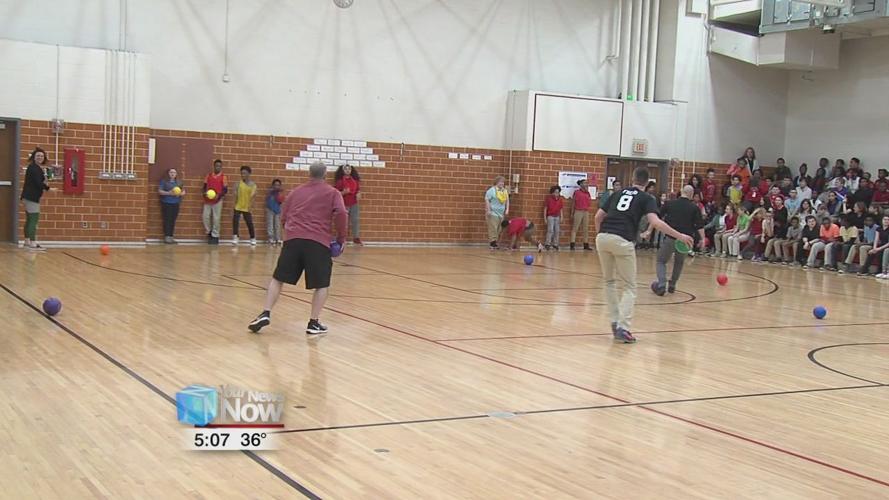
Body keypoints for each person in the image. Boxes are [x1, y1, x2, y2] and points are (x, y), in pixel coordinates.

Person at [594, 167, 693, 344]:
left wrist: (601, 238)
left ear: (632, 179)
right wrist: (680, 235)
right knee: (630, 287)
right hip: (623, 239)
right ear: (647, 183)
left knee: (609, 282)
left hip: (602, 237)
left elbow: (598, 217)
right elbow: (655, 222)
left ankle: (615, 321)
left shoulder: (616, 193)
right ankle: (623, 328)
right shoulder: (647, 197)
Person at [248, 161, 347, 335]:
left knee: (278, 278)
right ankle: (313, 322)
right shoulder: (333, 193)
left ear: (309, 174)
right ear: (325, 175)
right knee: (321, 284)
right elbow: (341, 213)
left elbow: (283, 215)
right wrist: (341, 238)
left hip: (293, 240)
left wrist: (291, 232)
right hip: (318, 242)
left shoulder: (295, 192)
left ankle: (265, 312)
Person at [651, 185, 704, 295]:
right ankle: (672, 285)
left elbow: (656, 218)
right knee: (679, 263)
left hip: (671, 237)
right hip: (685, 241)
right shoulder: (694, 208)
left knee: (661, 261)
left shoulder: (669, 203)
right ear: (692, 195)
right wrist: (703, 239)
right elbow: (699, 226)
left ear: (681, 191)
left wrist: (648, 230)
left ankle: (661, 284)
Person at [20, 147, 51, 251]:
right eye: (38, 155)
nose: (40, 157)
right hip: (31, 197)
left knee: (29, 220)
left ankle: (27, 241)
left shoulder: (35, 168)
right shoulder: (34, 168)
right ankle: (33, 243)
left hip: (28, 197)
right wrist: (48, 188)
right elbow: (38, 183)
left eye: (42, 156)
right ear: (33, 157)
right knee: (33, 219)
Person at [334, 164, 363, 245]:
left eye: (349, 169)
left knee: (355, 220)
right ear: (343, 171)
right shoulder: (339, 182)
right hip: (344, 203)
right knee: (344, 222)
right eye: (346, 169)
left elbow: (358, 190)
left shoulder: (355, 181)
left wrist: (359, 194)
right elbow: (336, 194)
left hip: (354, 203)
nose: (347, 170)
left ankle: (356, 238)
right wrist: (344, 192)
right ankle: (342, 239)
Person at [203, 159, 228, 244]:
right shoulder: (208, 176)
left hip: (218, 200)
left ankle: (215, 236)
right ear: (214, 166)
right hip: (208, 200)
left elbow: (225, 190)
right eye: (216, 166)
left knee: (216, 219)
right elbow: (204, 187)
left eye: (219, 166)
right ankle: (209, 232)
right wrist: (205, 193)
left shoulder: (223, 177)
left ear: (221, 167)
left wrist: (218, 196)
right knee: (205, 217)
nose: (218, 167)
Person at [157, 168, 185, 244]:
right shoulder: (164, 181)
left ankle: (171, 236)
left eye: (174, 172)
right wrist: (169, 193)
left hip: (175, 203)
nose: (172, 174)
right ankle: (167, 236)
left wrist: (179, 194)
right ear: (168, 173)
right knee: (167, 220)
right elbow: (160, 191)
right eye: (171, 172)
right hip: (166, 203)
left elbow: (183, 192)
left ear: (176, 174)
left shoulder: (179, 182)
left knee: (173, 220)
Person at [232, 165, 257, 245]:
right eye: (242, 173)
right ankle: (235, 236)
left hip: (246, 207)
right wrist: (233, 206)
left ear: (249, 174)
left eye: (245, 173)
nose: (243, 175)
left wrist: (251, 207)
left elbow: (253, 197)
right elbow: (235, 196)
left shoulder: (253, 185)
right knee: (235, 221)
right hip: (238, 206)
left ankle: (252, 238)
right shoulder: (238, 184)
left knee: (249, 223)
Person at [484, 176, 509, 249]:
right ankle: (492, 242)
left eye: (503, 182)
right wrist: (488, 210)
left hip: (501, 213)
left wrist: (507, 209)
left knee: (499, 228)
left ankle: (495, 241)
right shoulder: (491, 190)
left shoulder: (504, 191)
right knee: (493, 228)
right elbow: (487, 199)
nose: (502, 183)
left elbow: (507, 201)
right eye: (500, 182)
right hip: (493, 212)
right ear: (496, 182)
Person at [571, 179, 593, 251]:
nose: (586, 184)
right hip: (578, 211)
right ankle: (572, 244)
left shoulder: (588, 193)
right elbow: (573, 203)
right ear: (580, 184)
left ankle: (586, 244)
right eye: (584, 183)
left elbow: (589, 202)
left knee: (585, 229)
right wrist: (572, 212)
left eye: (587, 183)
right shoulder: (576, 192)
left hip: (586, 211)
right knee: (575, 228)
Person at [543, 186, 563, 250]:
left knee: (557, 231)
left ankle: (555, 244)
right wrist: (545, 218)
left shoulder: (560, 199)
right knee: (550, 230)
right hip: (550, 216)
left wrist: (561, 216)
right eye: (555, 192)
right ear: (552, 193)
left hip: (557, 216)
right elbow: (545, 209)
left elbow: (561, 209)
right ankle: (547, 243)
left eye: (558, 192)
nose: (557, 194)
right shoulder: (549, 199)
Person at [266, 179, 284, 245]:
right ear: (272, 185)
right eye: (275, 185)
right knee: (270, 224)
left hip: (277, 210)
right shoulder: (270, 191)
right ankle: (271, 238)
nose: (277, 186)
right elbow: (270, 193)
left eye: (278, 185)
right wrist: (276, 190)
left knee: (277, 224)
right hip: (270, 209)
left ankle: (278, 238)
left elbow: (281, 201)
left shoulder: (280, 193)